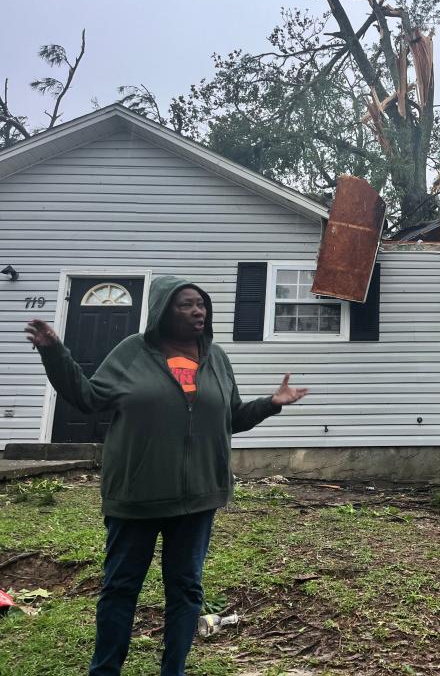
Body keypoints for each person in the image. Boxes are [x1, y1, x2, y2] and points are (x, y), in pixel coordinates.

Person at [26, 276, 308, 676]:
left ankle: (172, 670)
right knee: (121, 589)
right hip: (137, 496)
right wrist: (55, 353)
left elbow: (230, 418)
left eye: (201, 305)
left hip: (198, 498)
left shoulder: (217, 358)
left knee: (186, 589)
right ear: (162, 310)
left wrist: (271, 404)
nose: (198, 312)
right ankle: (104, 670)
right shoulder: (132, 354)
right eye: (186, 305)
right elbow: (87, 399)